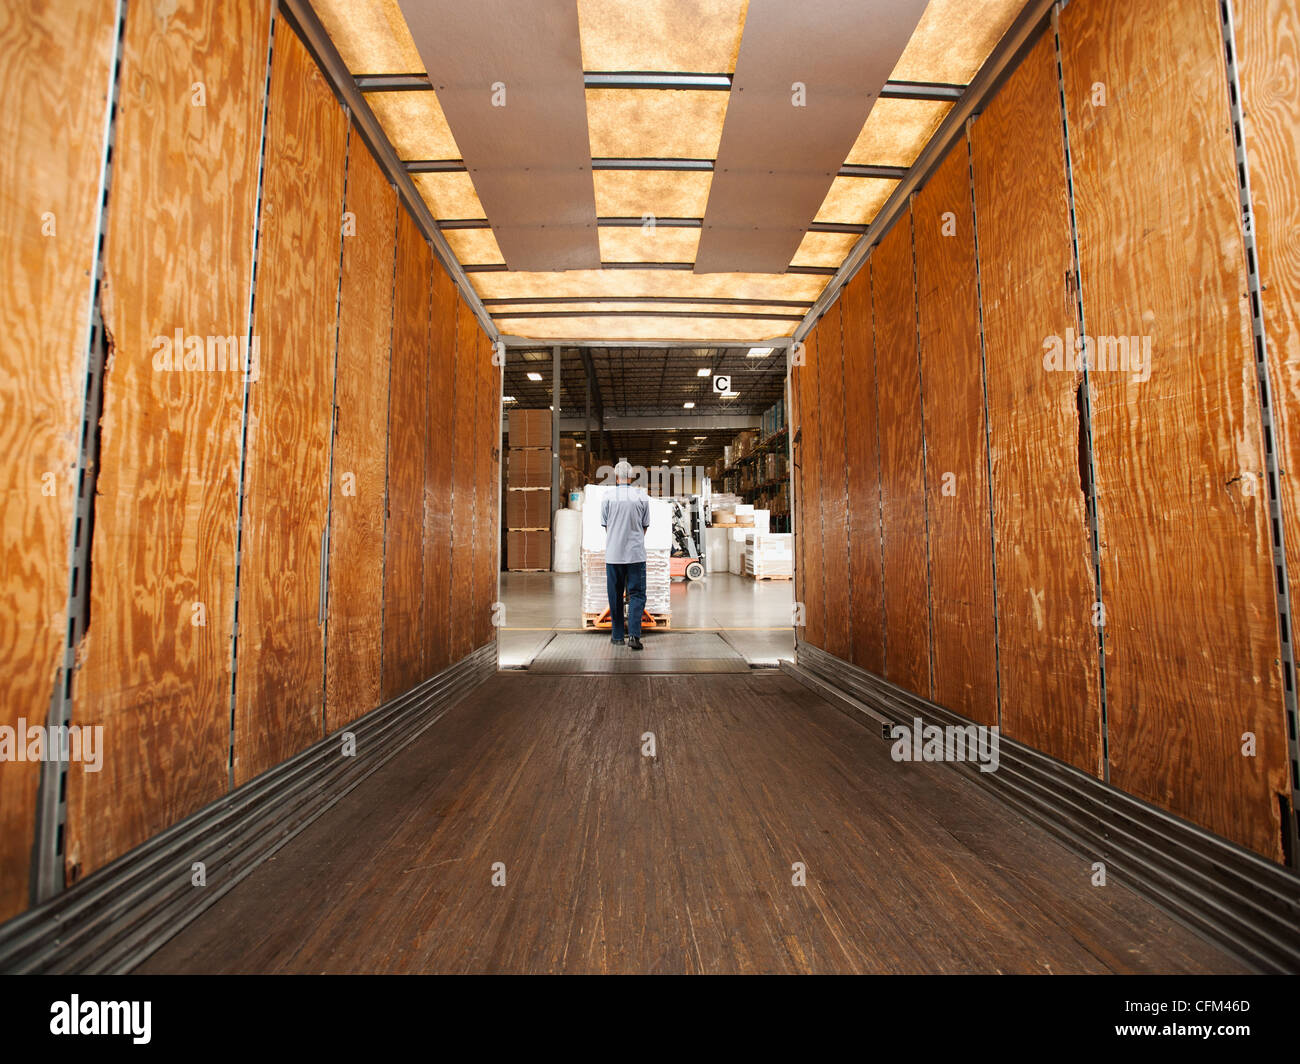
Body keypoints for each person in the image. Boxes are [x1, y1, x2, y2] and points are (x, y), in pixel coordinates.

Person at [601, 461, 650, 650]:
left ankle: (617, 636)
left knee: (615, 595)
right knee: (637, 594)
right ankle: (634, 636)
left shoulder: (607, 497)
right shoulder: (641, 496)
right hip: (635, 555)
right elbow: (645, 526)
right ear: (631, 477)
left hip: (614, 555)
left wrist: (617, 539)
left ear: (616, 477)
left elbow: (606, 525)